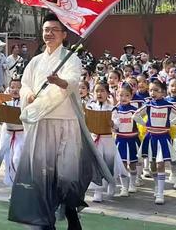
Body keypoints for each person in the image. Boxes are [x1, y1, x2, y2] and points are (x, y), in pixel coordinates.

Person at [9, 13, 109, 230]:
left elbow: (73, 82)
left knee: (67, 174)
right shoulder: (35, 61)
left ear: (64, 35)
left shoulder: (71, 58)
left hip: (66, 123)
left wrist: (59, 82)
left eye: (54, 30)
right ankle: (46, 220)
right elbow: (25, 84)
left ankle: (71, 212)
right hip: (42, 122)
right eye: (46, 29)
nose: (49, 33)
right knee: (43, 174)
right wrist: (29, 96)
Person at [133, 80, 176, 204]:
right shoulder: (148, 105)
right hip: (151, 137)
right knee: (152, 165)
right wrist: (145, 124)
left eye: (156, 90)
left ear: (163, 92)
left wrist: (169, 123)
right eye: (151, 90)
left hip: (163, 137)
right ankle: (156, 186)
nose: (153, 92)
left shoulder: (168, 105)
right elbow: (135, 115)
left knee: (161, 164)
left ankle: (160, 193)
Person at [86, 81, 122, 202]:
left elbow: (117, 125)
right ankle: (98, 191)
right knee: (96, 165)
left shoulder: (112, 108)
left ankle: (111, 183)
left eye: (102, 91)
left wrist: (113, 123)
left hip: (107, 139)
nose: (99, 93)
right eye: (97, 91)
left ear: (107, 93)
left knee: (109, 164)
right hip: (95, 138)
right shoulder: (90, 107)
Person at [0, 76, 24, 193]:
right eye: (13, 87)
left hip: (21, 135)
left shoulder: (27, 104)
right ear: (8, 89)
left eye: (19, 87)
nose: (15, 90)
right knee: (9, 161)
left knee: (17, 159)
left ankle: (19, 186)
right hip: (8, 135)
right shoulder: (5, 103)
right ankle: (13, 189)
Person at [112, 83, 139, 197]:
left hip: (132, 139)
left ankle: (133, 183)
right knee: (122, 164)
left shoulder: (135, 110)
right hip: (121, 140)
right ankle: (124, 187)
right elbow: (113, 126)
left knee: (133, 163)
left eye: (127, 95)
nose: (123, 98)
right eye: (121, 95)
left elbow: (140, 125)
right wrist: (113, 125)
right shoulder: (115, 110)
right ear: (117, 96)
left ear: (131, 97)